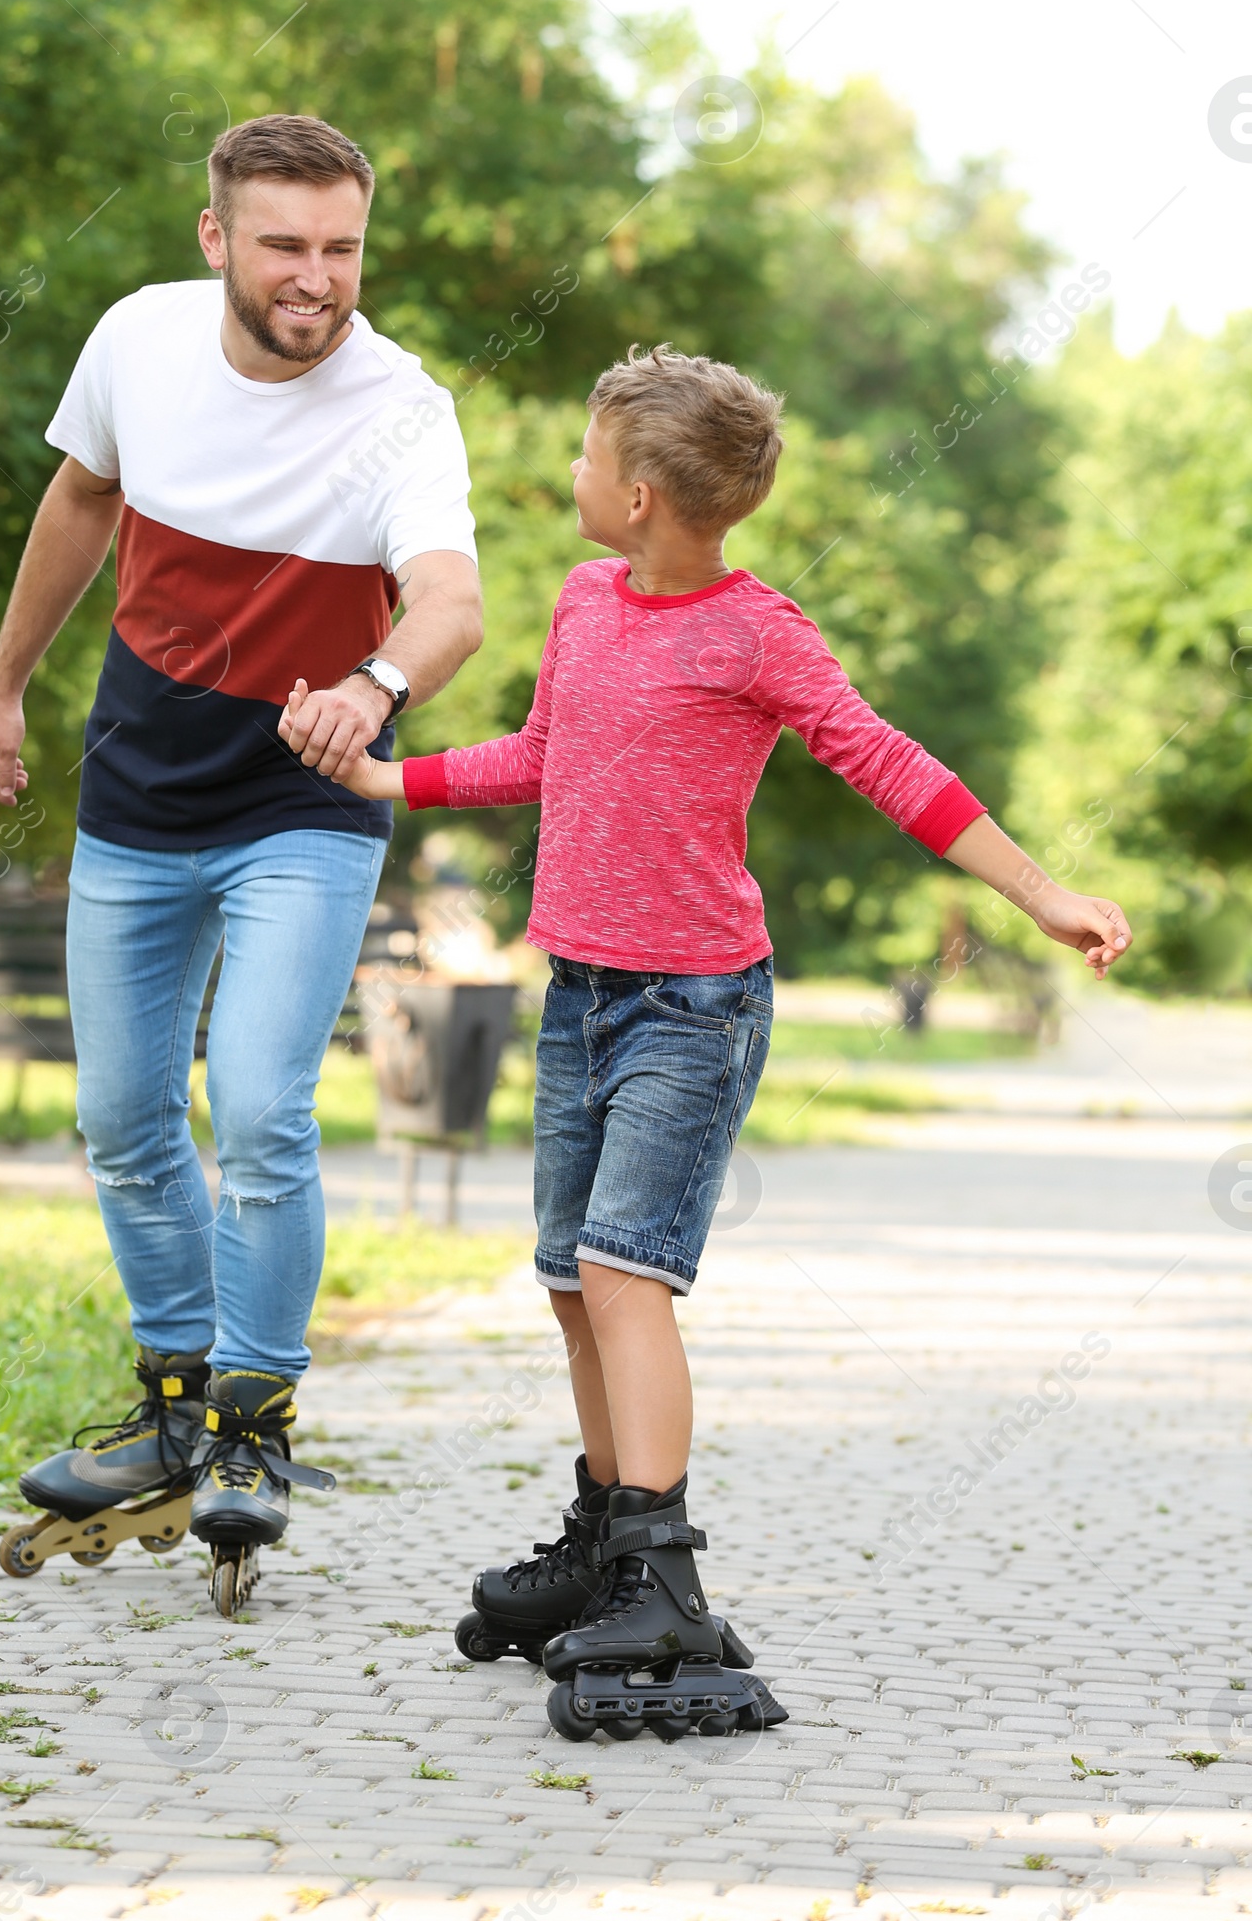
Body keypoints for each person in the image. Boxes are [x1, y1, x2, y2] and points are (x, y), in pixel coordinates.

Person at [297, 343, 1133, 1736]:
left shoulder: (760, 633)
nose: (565, 474)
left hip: (694, 1006)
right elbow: (543, 755)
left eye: (581, 456)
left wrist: (1043, 894)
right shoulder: (584, 602)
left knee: (629, 1273)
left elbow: (893, 765)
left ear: (634, 494)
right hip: (581, 993)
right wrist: (393, 776)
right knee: (573, 1281)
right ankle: (608, 1542)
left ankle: (665, 1576)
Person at [0, 115, 483, 1608]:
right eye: (286, 245)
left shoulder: (403, 407)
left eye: (343, 248)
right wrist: (4, 687)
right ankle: (173, 1406)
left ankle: (254, 1426)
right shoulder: (136, 341)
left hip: (303, 807)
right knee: (125, 1118)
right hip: (135, 790)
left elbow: (451, 599)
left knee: (257, 1108)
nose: (318, 278)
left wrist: (376, 683)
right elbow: (78, 503)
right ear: (217, 241)